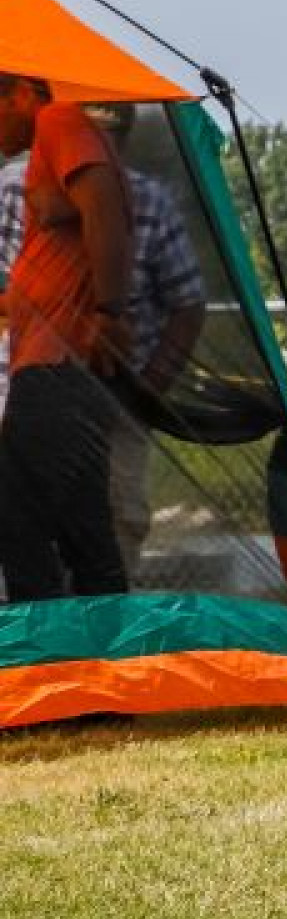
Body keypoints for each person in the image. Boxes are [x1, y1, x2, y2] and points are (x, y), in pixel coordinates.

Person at [0, 104, 206, 574]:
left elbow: (186, 305)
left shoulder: (143, 199)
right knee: (32, 519)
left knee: (103, 520)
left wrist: (145, 392)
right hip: (28, 384)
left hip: (104, 387)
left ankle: (91, 632)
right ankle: (49, 631)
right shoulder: (15, 186)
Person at [0, 72, 134, 601]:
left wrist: (110, 310)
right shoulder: (49, 147)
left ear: (23, 94)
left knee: (16, 514)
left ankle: (47, 651)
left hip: (59, 366)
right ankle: (103, 648)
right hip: (53, 362)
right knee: (81, 526)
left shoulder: (60, 119)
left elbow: (102, 202)